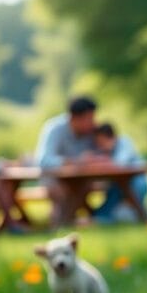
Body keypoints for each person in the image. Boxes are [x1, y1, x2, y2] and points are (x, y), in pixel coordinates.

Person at [34, 96, 98, 224]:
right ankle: (60, 224)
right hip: (53, 179)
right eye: (89, 118)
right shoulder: (54, 129)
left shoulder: (92, 132)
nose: (93, 122)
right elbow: (43, 160)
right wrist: (72, 161)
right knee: (63, 192)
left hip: (81, 179)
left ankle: (70, 222)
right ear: (75, 118)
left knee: (85, 186)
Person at [92, 122, 147, 223]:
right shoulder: (105, 151)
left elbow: (119, 164)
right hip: (118, 187)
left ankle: (99, 218)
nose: (100, 146)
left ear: (111, 137)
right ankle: (99, 216)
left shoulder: (125, 142)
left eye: (101, 142)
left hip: (137, 183)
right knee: (115, 190)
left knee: (119, 190)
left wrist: (101, 160)